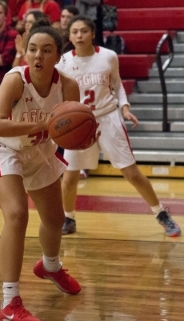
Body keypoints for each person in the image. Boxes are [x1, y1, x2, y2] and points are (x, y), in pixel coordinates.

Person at [0, 20, 82, 321]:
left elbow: (69, 129)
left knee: (55, 218)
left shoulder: (68, 86)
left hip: (38, 149)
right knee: (17, 214)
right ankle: (9, 302)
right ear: (25, 50)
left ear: (58, 56)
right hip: (2, 147)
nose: (38, 56)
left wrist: (81, 135)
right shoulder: (15, 80)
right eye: (33, 49)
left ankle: (50, 266)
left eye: (47, 50)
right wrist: (41, 126)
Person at [56, 15, 182, 238]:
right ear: (70, 35)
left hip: (107, 117)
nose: (79, 35)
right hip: (79, 123)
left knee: (131, 172)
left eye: (84, 31)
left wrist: (124, 107)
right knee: (69, 176)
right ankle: (69, 217)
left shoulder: (108, 56)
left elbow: (117, 85)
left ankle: (161, 213)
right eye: (74, 31)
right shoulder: (63, 62)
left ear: (93, 33)